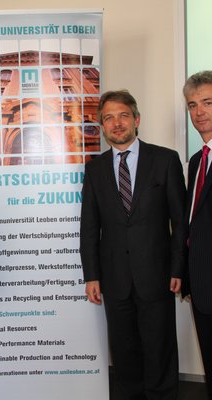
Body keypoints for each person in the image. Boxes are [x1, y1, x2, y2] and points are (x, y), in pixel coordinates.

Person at [80, 90, 186, 400]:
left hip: (158, 275)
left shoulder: (165, 160)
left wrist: (178, 267)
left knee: (159, 349)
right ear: (102, 125)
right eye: (108, 118)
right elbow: (89, 226)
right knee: (124, 353)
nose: (116, 123)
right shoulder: (95, 169)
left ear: (136, 119)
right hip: (115, 279)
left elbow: (180, 222)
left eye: (123, 115)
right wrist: (92, 276)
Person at [182, 70, 212, 400]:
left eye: (208, 102)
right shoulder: (196, 160)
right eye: (192, 105)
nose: (199, 112)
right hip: (201, 285)